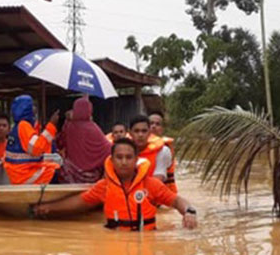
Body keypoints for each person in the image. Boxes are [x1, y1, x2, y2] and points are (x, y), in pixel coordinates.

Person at [33, 138, 198, 231]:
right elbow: (78, 202)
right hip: (114, 243)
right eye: (119, 157)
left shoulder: (151, 185)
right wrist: (46, 208)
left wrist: (189, 212)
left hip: (147, 242)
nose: (124, 162)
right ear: (112, 160)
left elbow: (177, 201)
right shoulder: (104, 186)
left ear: (136, 160)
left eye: (128, 157)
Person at [4, 94, 60, 185]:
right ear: (25, 109)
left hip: (19, 173)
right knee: (54, 170)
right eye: (32, 106)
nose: (35, 109)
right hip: (24, 176)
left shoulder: (20, 126)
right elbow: (36, 149)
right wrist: (52, 126)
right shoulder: (24, 126)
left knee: (51, 165)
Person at [59, 96, 112, 183]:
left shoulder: (68, 126)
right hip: (91, 177)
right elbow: (108, 150)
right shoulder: (93, 129)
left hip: (70, 175)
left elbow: (61, 142)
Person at [129, 114, 177, 193]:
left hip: (159, 197)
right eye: (136, 131)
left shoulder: (163, 151)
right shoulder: (123, 151)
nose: (140, 135)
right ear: (130, 133)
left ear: (149, 132)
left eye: (144, 131)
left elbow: (156, 182)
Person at [147, 110, 178, 192]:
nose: (153, 126)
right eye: (151, 123)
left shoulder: (165, 149)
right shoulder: (138, 147)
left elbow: (158, 180)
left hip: (162, 194)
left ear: (162, 129)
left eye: (157, 124)